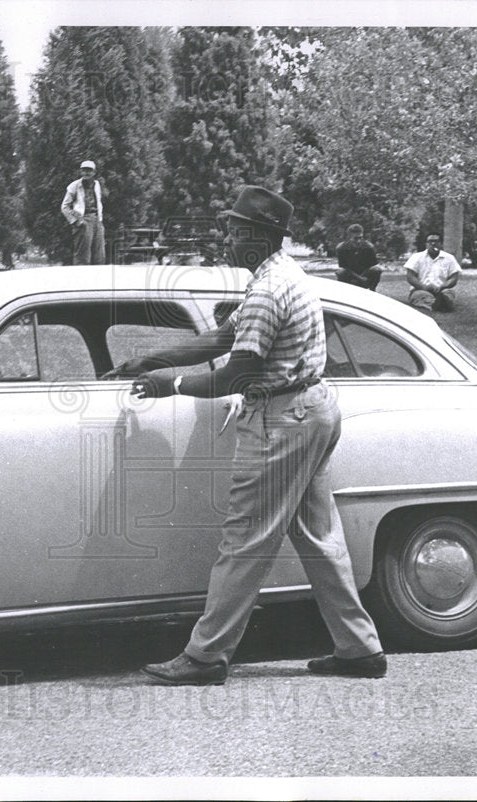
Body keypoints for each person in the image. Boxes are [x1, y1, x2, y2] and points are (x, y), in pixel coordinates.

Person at [104, 186, 385, 685]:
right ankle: (359, 649)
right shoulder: (280, 276)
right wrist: (151, 359)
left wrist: (171, 385)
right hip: (312, 410)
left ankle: (206, 656)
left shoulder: (267, 291)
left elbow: (236, 375)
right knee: (320, 539)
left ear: (259, 236)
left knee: (245, 539)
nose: (227, 239)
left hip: (282, 420)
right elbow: (221, 338)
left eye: (235, 231)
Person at [60, 159, 105, 265]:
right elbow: (64, 206)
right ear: (80, 172)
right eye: (84, 170)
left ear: (94, 172)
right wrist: (76, 221)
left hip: (97, 220)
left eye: (89, 170)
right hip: (83, 220)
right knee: (82, 257)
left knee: (99, 256)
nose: (86, 173)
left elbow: (98, 202)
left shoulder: (97, 184)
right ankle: (81, 280)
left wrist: (100, 220)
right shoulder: (74, 186)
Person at [404, 232, 461, 313]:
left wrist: (443, 286)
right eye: (430, 241)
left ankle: (442, 302)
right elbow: (410, 277)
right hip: (421, 289)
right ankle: (438, 304)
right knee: (420, 296)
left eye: (436, 241)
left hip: (443, 289)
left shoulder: (449, 258)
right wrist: (424, 287)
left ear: (441, 244)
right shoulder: (416, 257)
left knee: (448, 294)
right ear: (426, 244)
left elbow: (454, 277)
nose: (433, 244)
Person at [335, 224, 382, 290]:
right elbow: (345, 268)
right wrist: (360, 279)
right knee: (340, 272)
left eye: (360, 238)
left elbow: (371, 266)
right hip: (350, 274)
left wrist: (363, 277)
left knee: (376, 270)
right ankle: (345, 291)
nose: (358, 241)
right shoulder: (341, 248)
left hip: (365, 273)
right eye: (356, 238)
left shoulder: (369, 247)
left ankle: (372, 290)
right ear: (349, 237)